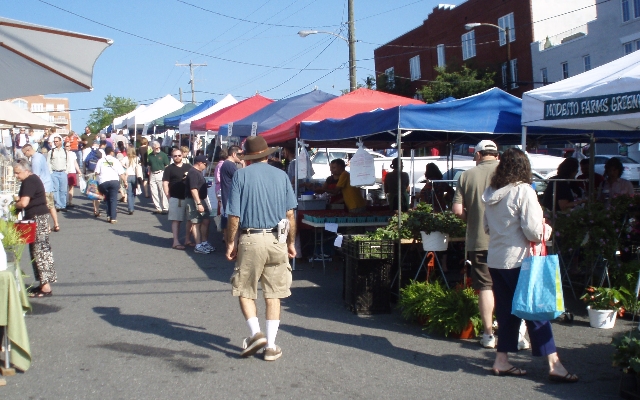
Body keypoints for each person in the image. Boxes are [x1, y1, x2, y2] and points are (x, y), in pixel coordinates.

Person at [482, 148, 577, 383]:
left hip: (496, 259)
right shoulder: (523, 191)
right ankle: (554, 364)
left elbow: (486, 228)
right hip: (520, 260)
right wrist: (546, 229)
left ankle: (501, 359)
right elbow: (534, 231)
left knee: (507, 313)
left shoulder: (491, 192)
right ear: (524, 168)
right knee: (536, 310)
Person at [225, 136, 297, 361]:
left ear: (247, 158)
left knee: (245, 289)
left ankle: (256, 333)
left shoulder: (240, 175)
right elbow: (290, 215)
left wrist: (230, 242)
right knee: (274, 294)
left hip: (252, 238)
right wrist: (291, 242)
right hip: (278, 239)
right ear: (267, 154)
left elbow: (234, 215)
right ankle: (271, 346)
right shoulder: (281, 175)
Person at [452, 140, 501, 349]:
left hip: (479, 239)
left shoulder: (466, 175)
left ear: (479, 155)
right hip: (509, 241)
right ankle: (515, 331)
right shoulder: (509, 173)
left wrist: (470, 219)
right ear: (496, 155)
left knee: (486, 286)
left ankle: (488, 334)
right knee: (509, 285)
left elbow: (457, 210)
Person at [13, 160, 56, 298]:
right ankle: (44, 285)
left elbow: (24, 202)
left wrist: (14, 205)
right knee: (39, 251)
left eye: (17, 173)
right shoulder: (33, 179)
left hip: (36, 217)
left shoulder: (29, 181)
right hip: (40, 216)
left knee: (39, 251)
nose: (16, 176)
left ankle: (46, 287)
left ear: (26, 170)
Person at [22, 144, 60, 232]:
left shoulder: (35, 160)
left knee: (45, 207)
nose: (25, 155)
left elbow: (36, 177)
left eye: (24, 153)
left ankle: (47, 226)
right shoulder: (40, 155)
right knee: (51, 206)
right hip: (48, 183)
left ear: (28, 150)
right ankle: (56, 224)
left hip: (43, 186)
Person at [163, 148, 193, 250]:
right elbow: (165, 183)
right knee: (176, 220)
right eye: (175, 156)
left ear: (182, 156)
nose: (177, 157)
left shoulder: (188, 167)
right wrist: (168, 196)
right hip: (176, 197)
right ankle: (175, 241)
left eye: (179, 155)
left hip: (188, 197)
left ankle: (187, 240)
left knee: (190, 220)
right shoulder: (169, 169)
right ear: (172, 157)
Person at [185, 155, 214, 254]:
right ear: (199, 163)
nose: (206, 166)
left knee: (206, 220)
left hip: (201, 199)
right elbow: (193, 189)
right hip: (195, 200)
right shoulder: (193, 172)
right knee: (196, 222)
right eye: (205, 164)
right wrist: (198, 203)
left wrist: (205, 185)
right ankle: (198, 245)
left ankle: (204, 242)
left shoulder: (198, 172)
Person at [95, 147, 127, 224]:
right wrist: (125, 181)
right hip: (114, 181)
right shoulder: (115, 160)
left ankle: (108, 215)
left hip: (103, 182)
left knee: (107, 198)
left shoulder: (101, 161)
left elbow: (97, 172)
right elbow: (121, 173)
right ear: (112, 152)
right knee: (113, 199)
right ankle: (113, 218)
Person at [220, 146, 243, 241]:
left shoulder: (227, 164)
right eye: (240, 154)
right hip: (230, 199)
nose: (242, 157)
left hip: (228, 198)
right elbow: (241, 179)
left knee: (229, 225)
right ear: (234, 154)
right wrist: (243, 165)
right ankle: (232, 248)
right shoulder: (229, 165)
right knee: (232, 225)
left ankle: (231, 246)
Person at [147, 141, 170, 214]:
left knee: (162, 191)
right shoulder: (150, 155)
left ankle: (165, 208)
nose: (158, 149)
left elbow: (167, 166)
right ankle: (158, 208)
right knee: (154, 192)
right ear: (153, 147)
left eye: (159, 147)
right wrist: (149, 175)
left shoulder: (163, 155)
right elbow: (149, 166)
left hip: (161, 173)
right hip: (153, 174)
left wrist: (167, 177)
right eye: (156, 147)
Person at [48, 135, 68, 212]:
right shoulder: (51, 152)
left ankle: (63, 205)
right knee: (55, 189)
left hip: (62, 172)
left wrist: (66, 171)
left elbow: (68, 162)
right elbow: (48, 163)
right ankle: (58, 205)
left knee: (63, 190)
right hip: (54, 172)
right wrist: (50, 172)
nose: (55, 143)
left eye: (57, 141)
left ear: (60, 142)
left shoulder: (65, 151)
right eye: (54, 141)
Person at [121, 147, 140, 215]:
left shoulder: (125, 158)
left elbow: (121, 163)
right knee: (134, 192)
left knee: (129, 193)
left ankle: (130, 208)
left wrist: (125, 167)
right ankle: (132, 205)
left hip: (128, 175)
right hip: (135, 176)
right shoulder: (137, 158)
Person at [64, 141, 82, 208]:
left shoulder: (73, 153)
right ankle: (63, 202)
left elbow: (75, 163)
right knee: (63, 188)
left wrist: (79, 171)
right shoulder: (62, 153)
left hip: (72, 171)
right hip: (65, 172)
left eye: (69, 146)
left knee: (71, 187)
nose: (68, 147)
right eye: (67, 146)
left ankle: (70, 201)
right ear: (64, 147)